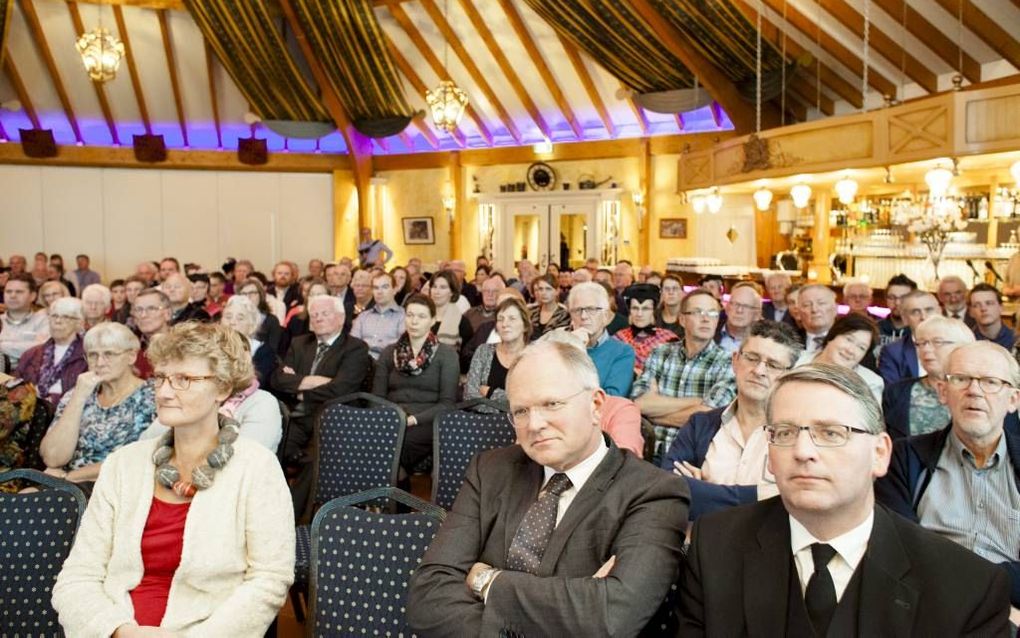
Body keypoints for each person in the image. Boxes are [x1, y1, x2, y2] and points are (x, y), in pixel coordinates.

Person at [679, 362, 1012, 636]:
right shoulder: (716, 547)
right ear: (769, 454)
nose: (803, 452)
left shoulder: (966, 587)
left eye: (832, 433)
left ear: (879, 453)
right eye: (785, 433)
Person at [406, 339, 690, 635]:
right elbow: (427, 595)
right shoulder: (489, 469)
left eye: (551, 404)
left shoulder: (654, 492)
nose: (535, 424)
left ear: (595, 405)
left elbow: (611, 617)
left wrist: (486, 581)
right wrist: (573, 604)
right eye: (521, 411)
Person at [52, 322, 294, 636]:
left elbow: (268, 581)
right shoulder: (123, 465)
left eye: (184, 379)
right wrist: (120, 630)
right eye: (162, 378)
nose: (165, 392)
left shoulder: (257, 468)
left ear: (221, 388)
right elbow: (77, 577)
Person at [877, 340, 1020, 612]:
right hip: (922, 609)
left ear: (1013, 399)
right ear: (943, 392)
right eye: (961, 379)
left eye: (990, 382)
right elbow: (896, 549)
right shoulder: (905, 457)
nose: (974, 391)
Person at [662, 320, 802, 520]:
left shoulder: (800, 436)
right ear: (735, 361)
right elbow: (668, 488)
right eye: (752, 358)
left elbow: (794, 505)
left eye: (773, 365)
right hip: (697, 545)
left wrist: (703, 491)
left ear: (788, 376)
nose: (759, 370)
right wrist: (758, 495)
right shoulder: (700, 424)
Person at [38, 322, 155, 488]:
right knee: (24, 498)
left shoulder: (152, 397)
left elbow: (139, 458)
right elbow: (52, 458)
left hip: (116, 485)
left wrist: (69, 478)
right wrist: (79, 397)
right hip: (66, 484)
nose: (100, 362)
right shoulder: (77, 393)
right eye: (93, 355)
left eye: (109, 354)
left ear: (131, 356)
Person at [632, 289, 737, 457]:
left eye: (712, 313)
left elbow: (708, 418)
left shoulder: (728, 362)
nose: (706, 319)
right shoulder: (660, 353)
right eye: (697, 312)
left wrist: (654, 415)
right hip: (647, 451)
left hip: (691, 459)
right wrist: (696, 402)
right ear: (682, 319)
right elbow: (639, 404)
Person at [373, 294, 459, 474]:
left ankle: (390, 500)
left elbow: (447, 403)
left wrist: (412, 420)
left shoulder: (447, 354)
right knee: (367, 442)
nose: (414, 321)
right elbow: (377, 398)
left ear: (433, 320)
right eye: (410, 315)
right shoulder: (390, 352)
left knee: (396, 447)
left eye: (421, 316)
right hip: (392, 418)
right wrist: (388, 419)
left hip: (427, 421)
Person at [882, 316, 975, 439]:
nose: (925, 349)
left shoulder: (978, 391)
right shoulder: (895, 392)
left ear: (962, 347)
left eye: (937, 342)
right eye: (921, 343)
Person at [563, 282, 635, 397]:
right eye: (577, 310)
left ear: (605, 317)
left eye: (591, 309)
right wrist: (574, 347)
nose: (583, 316)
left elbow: (611, 398)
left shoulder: (622, 352)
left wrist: (579, 352)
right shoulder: (558, 347)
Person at [14, 297, 88, 406]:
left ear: (79, 323)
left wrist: (53, 399)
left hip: (68, 414)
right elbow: (15, 386)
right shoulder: (31, 354)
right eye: (54, 316)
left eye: (66, 317)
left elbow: (87, 395)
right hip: (30, 412)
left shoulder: (87, 356)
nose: (58, 321)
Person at [798, 313, 884, 402]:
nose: (850, 350)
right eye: (849, 339)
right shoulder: (795, 359)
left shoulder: (870, 383)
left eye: (861, 348)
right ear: (832, 336)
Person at [464, 297, 530, 410]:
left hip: (520, 425)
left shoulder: (534, 357)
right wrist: (501, 411)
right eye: (500, 319)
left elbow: (529, 400)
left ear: (525, 325)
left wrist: (491, 392)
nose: (505, 324)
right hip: (482, 422)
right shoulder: (483, 351)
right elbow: (469, 395)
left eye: (512, 318)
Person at [613, 283, 679, 375]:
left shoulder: (668, 339)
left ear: (653, 311)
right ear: (630, 310)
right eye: (635, 308)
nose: (639, 314)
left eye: (645, 309)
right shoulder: (618, 339)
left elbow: (674, 372)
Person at [878, 290, 940, 386]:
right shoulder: (892, 352)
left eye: (929, 310)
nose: (923, 317)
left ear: (940, 312)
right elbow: (893, 394)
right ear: (905, 319)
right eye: (915, 312)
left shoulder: (957, 345)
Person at [220, 295, 277, 385]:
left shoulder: (263, 351)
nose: (232, 322)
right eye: (228, 317)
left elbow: (256, 383)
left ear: (252, 326)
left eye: (240, 318)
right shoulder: (212, 346)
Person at [350, 271, 405, 360]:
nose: (379, 292)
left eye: (385, 287)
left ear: (394, 289)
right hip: (362, 362)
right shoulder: (363, 317)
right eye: (376, 288)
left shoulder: (403, 316)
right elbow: (353, 344)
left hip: (388, 363)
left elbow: (401, 347)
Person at [0, 273, 50, 369]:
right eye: (8, 291)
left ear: (33, 296)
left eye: (19, 292)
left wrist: (2, 345)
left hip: (31, 379)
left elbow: (43, 349)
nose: (13, 296)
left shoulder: (44, 321)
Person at [130, 288, 172, 380]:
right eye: (138, 309)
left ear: (167, 314)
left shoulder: (183, 345)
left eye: (151, 308)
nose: (143, 315)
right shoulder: (130, 348)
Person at [236, 278, 284, 355]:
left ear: (260, 295)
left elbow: (273, 351)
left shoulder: (271, 320)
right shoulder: (233, 320)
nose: (248, 297)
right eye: (244, 294)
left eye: (252, 293)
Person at [429, 269, 472, 354]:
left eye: (443, 287)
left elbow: (466, 356)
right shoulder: (421, 317)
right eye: (434, 286)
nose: (437, 292)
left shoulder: (462, 322)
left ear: (452, 292)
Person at [715, 282, 763, 354]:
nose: (739, 310)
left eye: (746, 306)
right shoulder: (710, 331)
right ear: (727, 308)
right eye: (735, 304)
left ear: (757, 315)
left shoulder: (765, 343)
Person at [968, 282, 1016, 349]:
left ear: (1001, 307)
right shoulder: (967, 342)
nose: (983, 309)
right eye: (977, 305)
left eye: (989, 303)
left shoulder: (1016, 340)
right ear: (971, 312)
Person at [797, 284, 838, 353]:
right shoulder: (790, 341)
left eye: (821, 303)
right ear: (799, 312)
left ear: (835, 308)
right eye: (807, 305)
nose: (814, 309)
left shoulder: (849, 339)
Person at [878, 273, 917, 345]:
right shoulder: (874, 329)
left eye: (903, 297)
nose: (897, 302)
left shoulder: (921, 331)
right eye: (892, 297)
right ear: (886, 299)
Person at [528, 273, 570, 340]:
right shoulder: (531, 312)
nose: (544, 293)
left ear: (557, 291)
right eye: (541, 289)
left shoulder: (564, 315)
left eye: (548, 289)